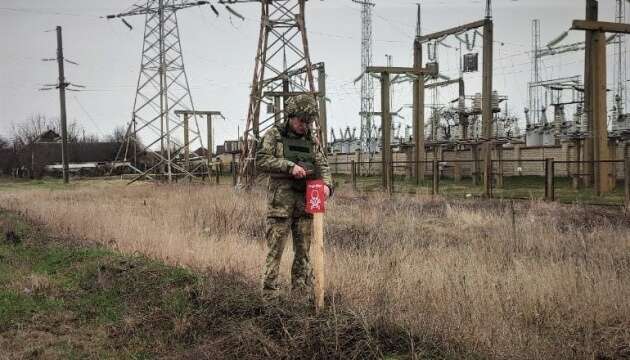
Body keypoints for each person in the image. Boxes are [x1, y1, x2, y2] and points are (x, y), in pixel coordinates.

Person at [256, 94, 333, 300]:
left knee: (303, 254)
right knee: (275, 252)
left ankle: (299, 296)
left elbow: (323, 165)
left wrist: (326, 186)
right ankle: (269, 299)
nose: (304, 126)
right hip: (280, 205)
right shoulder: (275, 135)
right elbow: (261, 160)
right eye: (301, 121)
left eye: (308, 122)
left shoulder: (311, 140)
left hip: (305, 205)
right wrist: (290, 167)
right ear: (290, 116)